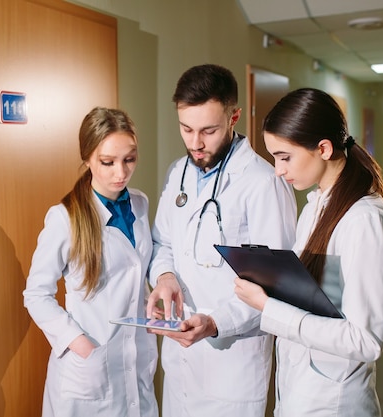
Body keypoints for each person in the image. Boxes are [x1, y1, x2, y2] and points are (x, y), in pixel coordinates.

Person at [234, 87, 383, 416]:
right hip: (302, 390)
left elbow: (365, 340)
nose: (277, 170)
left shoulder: (364, 221)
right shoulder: (316, 204)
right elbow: (321, 297)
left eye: (284, 156)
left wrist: (269, 307)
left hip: (335, 402)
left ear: (323, 148)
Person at [146, 63, 297, 416]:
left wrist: (216, 323)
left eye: (209, 130)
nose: (195, 143)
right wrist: (165, 277)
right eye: (186, 129)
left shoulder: (263, 182)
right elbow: (162, 243)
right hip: (181, 359)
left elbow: (275, 283)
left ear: (234, 117)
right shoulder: (177, 172)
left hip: (233, 367)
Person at [23, 107, 159, 417]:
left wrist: (151, 297)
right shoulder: (64, 219)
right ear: (87, 158)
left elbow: (134, 271)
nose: (120, 173)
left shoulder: (139, 203)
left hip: (134, 358)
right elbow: (36, 295)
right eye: (107, 162)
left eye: (130, 159)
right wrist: (78, 343)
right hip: (87, 366)